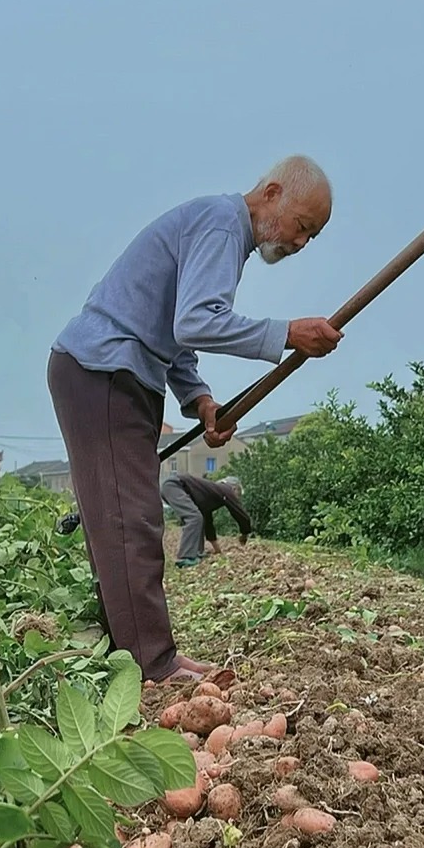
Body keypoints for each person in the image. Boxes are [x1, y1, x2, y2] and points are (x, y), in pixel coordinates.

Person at [47, 155, 341, 684]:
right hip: (104, 372)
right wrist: (286, 333)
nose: (300, 243)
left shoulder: (220, 230)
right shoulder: (223, 224)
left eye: (311, 238)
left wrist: (201, 400)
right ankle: (153, 665)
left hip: (107, 374)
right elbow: (198, 320)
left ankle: (127, 656)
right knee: (130, 520)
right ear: (273, 193)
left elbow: (177, 332)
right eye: (302, 226)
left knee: (114, 520)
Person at [161, 473, 251, 566]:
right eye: (238, 494)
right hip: (174, 485)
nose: (237, 497)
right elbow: (240, 513)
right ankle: (186, 557)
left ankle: (196, 554)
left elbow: (208, 524)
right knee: (194, 517)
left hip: (170, 487)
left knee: (199, 518)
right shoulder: (227, 489)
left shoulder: (209, 494)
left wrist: (217, 550)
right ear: (234, 488)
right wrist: (245, 533)